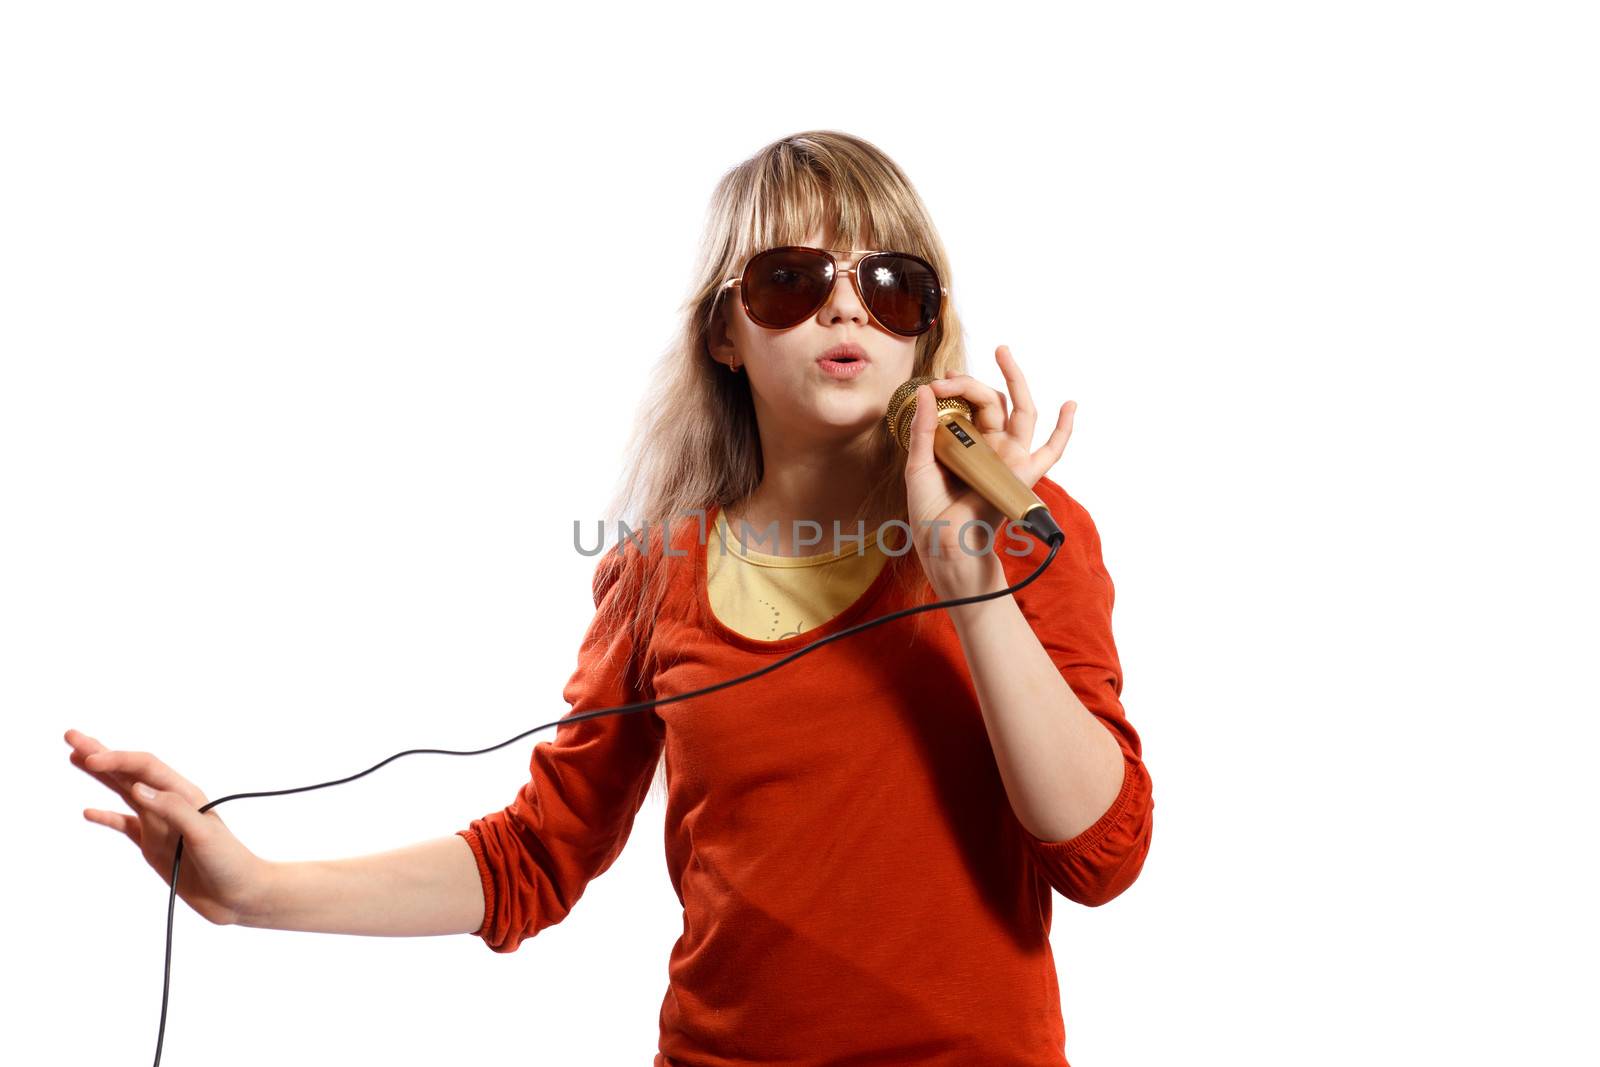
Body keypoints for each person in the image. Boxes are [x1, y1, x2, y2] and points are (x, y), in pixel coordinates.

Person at [65, 129, 1154, 1066]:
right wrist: (251, 889)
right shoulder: (657, 574)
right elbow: (539, 852)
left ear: (922, 326)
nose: (845, 307)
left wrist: (968, 582)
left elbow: (1100, 854)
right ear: (725, 332)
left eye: (888, 282)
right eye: (792, 277)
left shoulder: (1017, 530)